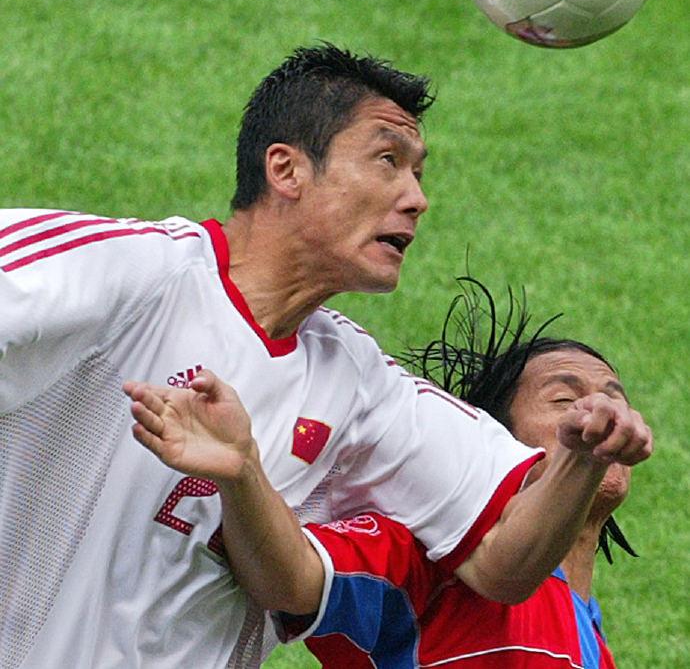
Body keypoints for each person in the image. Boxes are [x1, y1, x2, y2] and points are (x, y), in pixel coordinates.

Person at [0, 46, 651, 668]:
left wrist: (581, 460)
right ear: (286, 170)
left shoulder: (358, 385)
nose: (417, 198)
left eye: (418, 173)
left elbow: (504, 563)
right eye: (387, 160)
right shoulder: (132, 274)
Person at [127, 280, 642, 668]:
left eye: (613, 400)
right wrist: (243, 470)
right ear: (495, 446)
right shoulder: (427, 559)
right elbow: (293, 578)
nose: (599, 413)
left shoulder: (593, 644)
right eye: (565, 400)